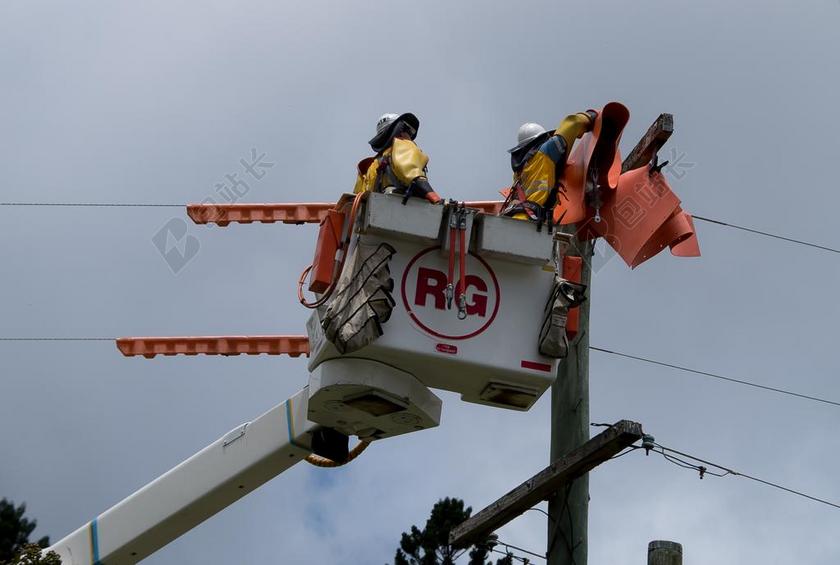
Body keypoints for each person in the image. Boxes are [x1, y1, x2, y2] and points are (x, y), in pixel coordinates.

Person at [502, 111, 598, 227]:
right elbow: (572, 123)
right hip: (528, 222)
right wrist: (591, 116)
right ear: (542, 138)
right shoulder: (545, 151)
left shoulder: (520, 170)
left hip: (515, 220)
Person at [354, 113, 442, 204]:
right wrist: (435, 199)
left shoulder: (369, 166)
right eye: (408, 130)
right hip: (401, 207)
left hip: (377, 209)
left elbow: (355, 200)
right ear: (399, 130)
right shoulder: (402, 145)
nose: (410, 136)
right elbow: (414, 176)